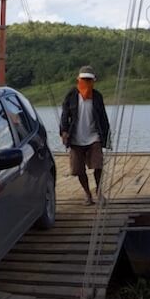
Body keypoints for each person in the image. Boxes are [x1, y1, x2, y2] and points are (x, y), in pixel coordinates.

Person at [59, 65, 110, 204]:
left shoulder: (97, 96)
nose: (86, 82)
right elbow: (65, 115)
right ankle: (88, 194)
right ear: (78, 80)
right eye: (84, 79)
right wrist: (64, 131)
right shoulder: (71, 95)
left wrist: (107, 137)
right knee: (78, 169)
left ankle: (99, 193)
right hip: (76, 138)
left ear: (93, 81)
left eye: (89, 80)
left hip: (94, 136)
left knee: (98, 165)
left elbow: (103, 118)